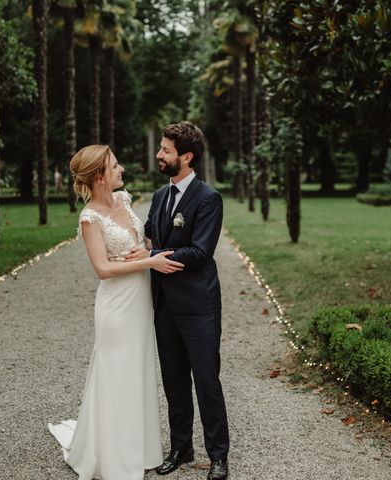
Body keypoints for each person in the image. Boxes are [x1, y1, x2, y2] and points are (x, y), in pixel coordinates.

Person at [48, 144, 184, 480]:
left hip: (139, 303)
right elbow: (103, 269)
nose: (121, 169)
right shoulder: (89, 218)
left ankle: (139, 449)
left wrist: (147, 250)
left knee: (137, 372)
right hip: (116, 306)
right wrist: (151, 262)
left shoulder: (124, 201)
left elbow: (141, 243)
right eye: (115, 165)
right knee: (116, 375)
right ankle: (113, 457)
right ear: (99, 176)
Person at [127, 121, 230, 480]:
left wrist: (157, 257)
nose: (159, 154)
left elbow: (201, 251)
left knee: (206, 380)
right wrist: (139, 252)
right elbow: (150, 235)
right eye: (161, 148)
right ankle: (181, 448)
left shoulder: (208, 198)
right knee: (173, 380)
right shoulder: (159, 196)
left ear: (186, 157)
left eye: (166, 150)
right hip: (164, 304)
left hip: (198, 305)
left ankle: (218, 456)